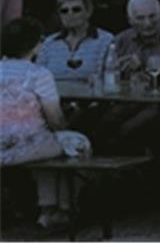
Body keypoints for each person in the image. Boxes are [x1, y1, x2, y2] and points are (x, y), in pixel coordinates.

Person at [2, 18, 75, 230]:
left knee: (49, 144)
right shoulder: (38, 74)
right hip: (24, 145)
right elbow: (55, 119)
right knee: (69, 145)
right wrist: (67, 130)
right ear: (36, 45)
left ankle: (47, 208)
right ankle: (56, 208)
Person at [34, 0, 110, 88]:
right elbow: (38, 79)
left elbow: (107, 77)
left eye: (76, 9)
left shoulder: (105, 40)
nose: (70, 14)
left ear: (88, 12)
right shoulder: (49, 43)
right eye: (64, 11)